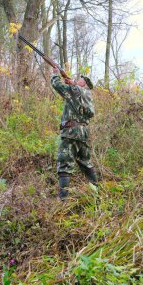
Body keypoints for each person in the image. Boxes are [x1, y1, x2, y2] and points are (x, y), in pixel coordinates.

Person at [51, 67, 98, 200]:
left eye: (80, 80)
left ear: (84, 84)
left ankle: (63, 201)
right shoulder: (88, 95)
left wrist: (55, 74)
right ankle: (97, 191)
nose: (77, 80)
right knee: (86, 162)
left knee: (64, 164)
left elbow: (56, 85)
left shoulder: (75, 90)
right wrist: (72, 83)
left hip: (71, 132)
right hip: (83, 133)